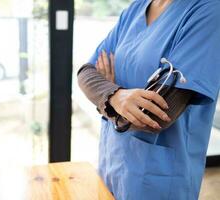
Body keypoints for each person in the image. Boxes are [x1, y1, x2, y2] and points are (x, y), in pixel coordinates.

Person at [77, 0, 220, 199]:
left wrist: (104, 98)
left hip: (159, 180)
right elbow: (86, 73)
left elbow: (158, 115)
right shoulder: (136, 8)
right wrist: (115, 96)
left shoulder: (208, 10)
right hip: (111, 165)